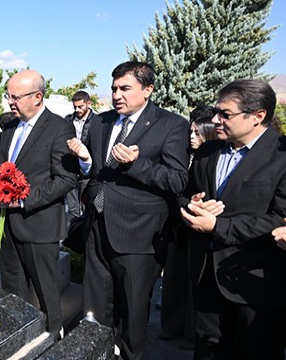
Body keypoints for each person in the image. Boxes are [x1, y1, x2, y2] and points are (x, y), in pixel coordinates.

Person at [70, 61, 189, 359]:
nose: (117, 95)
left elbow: (177, 180)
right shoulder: (101, 122)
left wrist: (137, 165)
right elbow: (96, 172)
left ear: (147, 90)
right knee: (95, 310)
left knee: (134, 314)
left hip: (139, 236)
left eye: (125, 88)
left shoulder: (171, 124)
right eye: (113, 89)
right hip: (97, 226)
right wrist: (90, 189)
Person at [180, 79, 286, 360]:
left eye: (225, 114)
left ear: (258, 116)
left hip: (254, 283)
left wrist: (218, 226)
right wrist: (192, 205)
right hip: (205, 275)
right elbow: (184, 195)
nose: (215, 120)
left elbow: (279, 220)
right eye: (216, 112)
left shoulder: (281, 156)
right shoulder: (206, 151)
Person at [0, 70, 79, 339]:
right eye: (8, 95)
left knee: (46, 291)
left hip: (39, 226)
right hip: (7, 226)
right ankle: (20, 334)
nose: (10, 102)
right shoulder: (9, 129)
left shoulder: (59, 128)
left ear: (37, 97)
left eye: (15, 96)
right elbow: (0, 168)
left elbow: (65, 180)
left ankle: (53, 338)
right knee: (13, 289)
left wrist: (23, 200)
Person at [159, 106, 216, 349]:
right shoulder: (183, 154)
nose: (191, 137)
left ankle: (191, 334)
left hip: (199, 227)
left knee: (194, 286)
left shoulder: (209, 158)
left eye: (197, 133)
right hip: (177, 225)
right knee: (174, 280)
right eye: (190, 132)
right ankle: (171, 327)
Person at [64, 90, 101, 229]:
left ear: (88, 103)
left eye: (81, 106)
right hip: (71, 171)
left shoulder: (97, 122)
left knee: (88, 208)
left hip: (89, 173)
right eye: (75, 107)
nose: (77, 110)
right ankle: (73, 240)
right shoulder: (67, 120)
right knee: (73, 210)